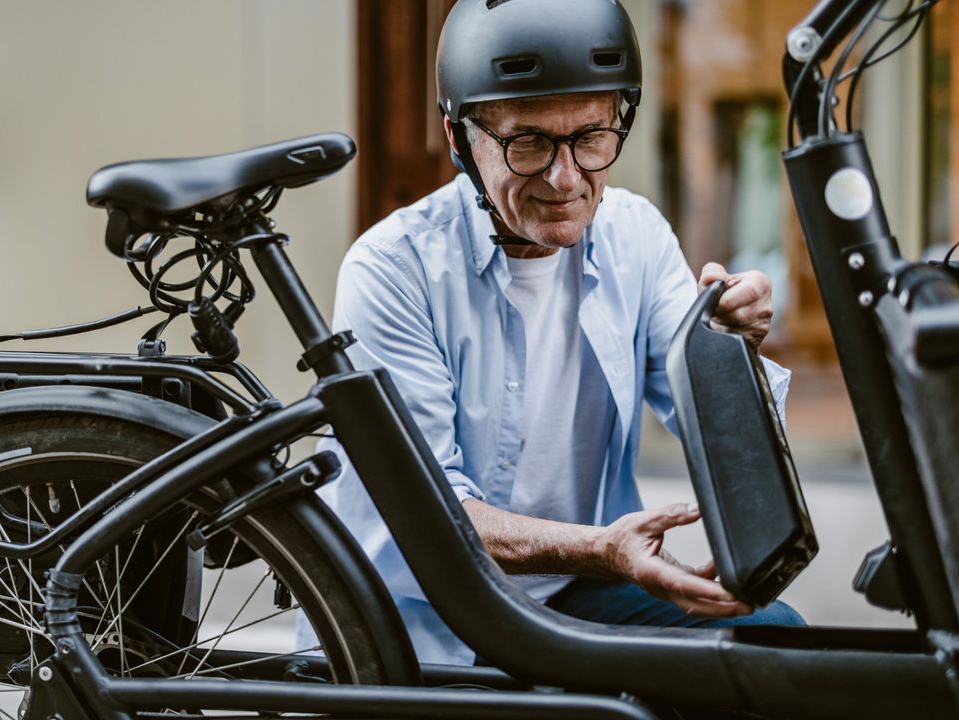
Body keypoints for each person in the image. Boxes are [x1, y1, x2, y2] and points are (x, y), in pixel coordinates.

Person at [310, 0, 804, 666]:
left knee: (778, 646)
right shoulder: (394, 270)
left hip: (571, 597)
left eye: (590, 137)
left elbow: (718, 430)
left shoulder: (635, 235)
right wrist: (604, 550)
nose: (566, 178)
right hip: (422, 620)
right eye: (530, 142)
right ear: (460, 139)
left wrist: (731, 347)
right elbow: (431, 514)